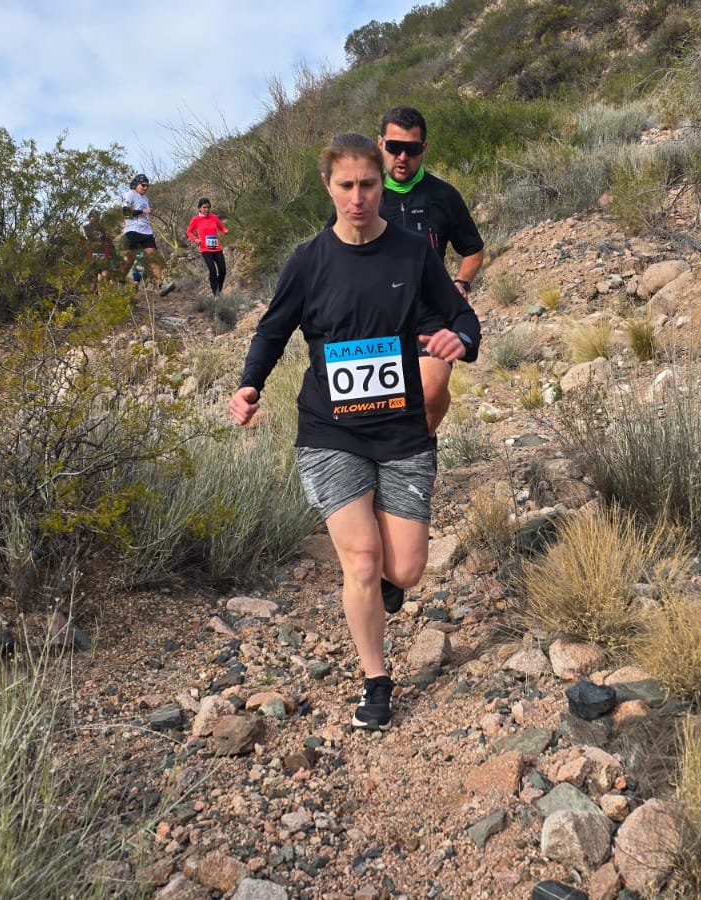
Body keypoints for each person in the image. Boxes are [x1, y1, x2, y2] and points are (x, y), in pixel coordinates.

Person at [228, 133, 480, 731]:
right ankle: (376, 682)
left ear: (381, 184)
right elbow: (272, 331)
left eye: (368, 184)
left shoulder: (412, 253)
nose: (358, 197)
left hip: (401, 430)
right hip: (330, 432)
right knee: (362, 561)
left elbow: (461, 315)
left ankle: (387, 588)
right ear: (328, 186)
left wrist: (461, 339)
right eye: (346, 185)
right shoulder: (308, 260)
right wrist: (249, 385)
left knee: (406, 569)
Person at [376, 106, 485, 435]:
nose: (402, 156)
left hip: (431, 315)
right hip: (376, 318)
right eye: (395, 147)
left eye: (411, 148)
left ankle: (418, 449)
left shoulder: (443, 196)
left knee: (429, 392)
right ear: (380, 144)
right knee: (380, 408)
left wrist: (462, 282)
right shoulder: (363, 197)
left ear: (424, 147)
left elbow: (473, 249)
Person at [120, 173, 176, 296]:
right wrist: (143, 211)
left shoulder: (145, 199)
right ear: (136, 184)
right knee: (129, 258)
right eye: (143, 185)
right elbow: (126, 213)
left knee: (153, 256)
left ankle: (161, 285)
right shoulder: (130, 194)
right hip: (133, 230)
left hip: (146, 232)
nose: (145, 188)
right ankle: (119, 280)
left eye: (147, 186)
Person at [185, 197, 229, 296]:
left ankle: (219, 289)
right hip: (205, 249)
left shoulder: (214, 217)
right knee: (213, 271)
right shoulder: (195, 219)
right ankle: (216, 294)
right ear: (199, 208)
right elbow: (189, 232)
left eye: (208, 207)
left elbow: (221, 227)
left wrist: (225, 231)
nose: (206, 209)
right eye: (204, 207)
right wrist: (195, 239)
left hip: (217, 248)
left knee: (222, 271)